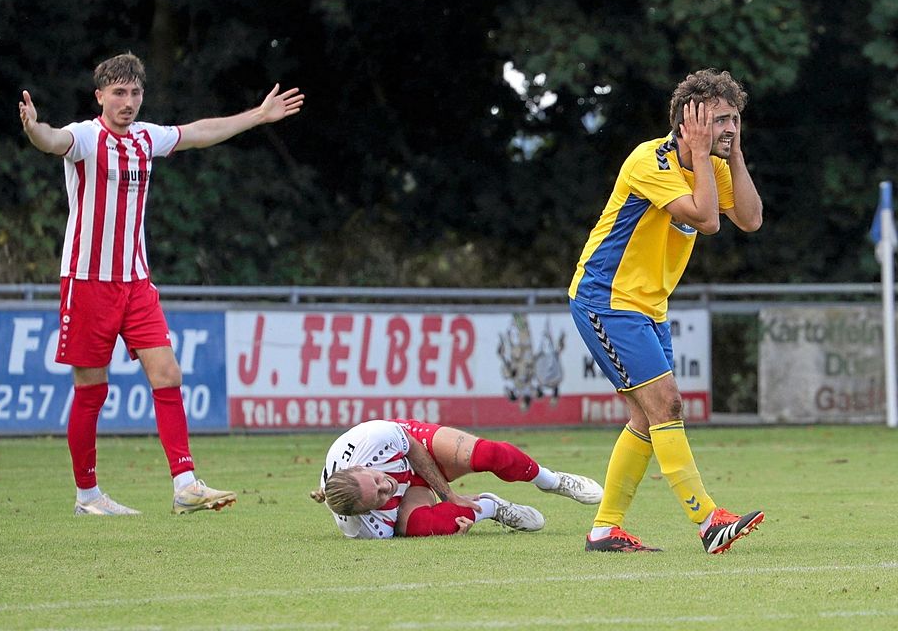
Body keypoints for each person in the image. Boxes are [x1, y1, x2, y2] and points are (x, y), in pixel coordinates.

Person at [18, 52, 304, 516]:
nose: (128, 102)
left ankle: (185, 484)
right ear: (101, 97)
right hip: (87, 281)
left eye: (134, 93)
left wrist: (258, 115)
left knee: (168, 373)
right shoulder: (87, 138)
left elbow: (198, 132)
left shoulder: (146, 138)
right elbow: (52, 140)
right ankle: (87, 496)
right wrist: (33, 127)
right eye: (119, 93)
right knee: (92, 388)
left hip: (136, 281)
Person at [568, 69, 764, 553]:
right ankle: (707, 520)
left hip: (648, 307)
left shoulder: (714, 163)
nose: (730, 129)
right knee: (667, 406)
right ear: (687, 121)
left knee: (645, 420)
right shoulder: (648, 160)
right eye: (720, 120)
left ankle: (604, 529)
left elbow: (751, 219)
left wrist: (732, 154)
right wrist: (702, 155)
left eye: (735, 120)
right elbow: (706, 220)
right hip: (606, 300)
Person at [310, 418, 603, 539]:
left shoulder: (372, 438)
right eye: (379, 497)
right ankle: (492, 507)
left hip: (411, 447)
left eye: (376, 480)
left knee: (487, 455)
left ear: (361, 467)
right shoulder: (364, 528)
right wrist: (451, 520)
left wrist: (449, 497)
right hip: (410, 490)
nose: (386, 486)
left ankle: (551, 480)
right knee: (424, 527)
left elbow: (412, 447)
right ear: (365, 511)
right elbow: (400, 527)